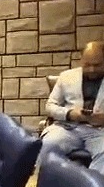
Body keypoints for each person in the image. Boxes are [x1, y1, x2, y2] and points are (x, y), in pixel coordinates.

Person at [41, 40, 104, 173]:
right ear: (81, 60)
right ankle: (53, 184)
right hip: (67, 128)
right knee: (49, 144)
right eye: (87, 65)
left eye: (97, 65)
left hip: (99, 132)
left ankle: (93, 185)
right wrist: (69, 114)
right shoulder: (66, 77)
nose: (92, 69)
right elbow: (50, 106)